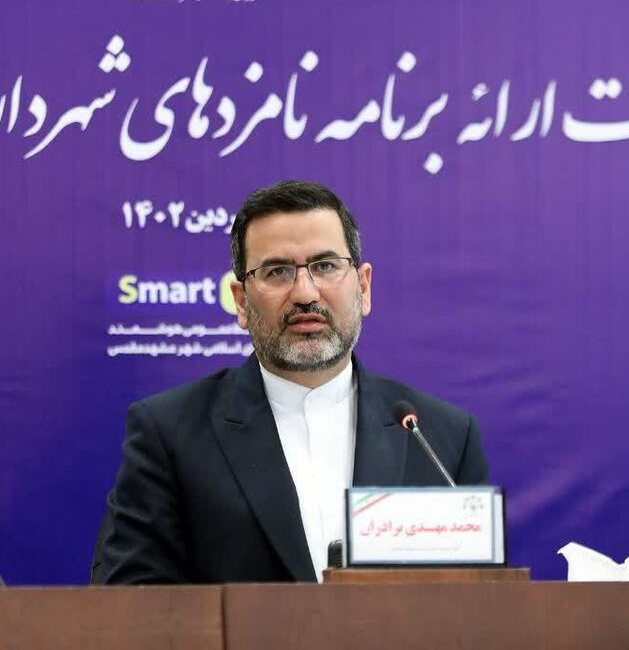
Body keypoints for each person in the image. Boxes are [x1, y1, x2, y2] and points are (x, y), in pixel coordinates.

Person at [92, 180, 489, 584]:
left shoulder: (440, 438)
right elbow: (131, 600)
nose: (304, 293)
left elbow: (479, 602)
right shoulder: (170, 434)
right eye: (277, 271)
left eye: (325, 266)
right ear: (241, 301)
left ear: (364, 287)